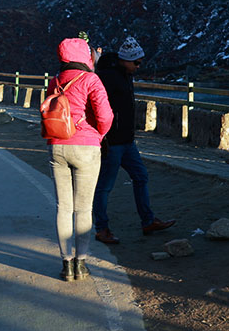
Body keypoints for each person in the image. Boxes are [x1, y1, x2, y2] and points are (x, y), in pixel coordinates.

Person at [93, 36, 175, 244]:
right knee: (105, 186)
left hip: (127, 141)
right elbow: (97, 107)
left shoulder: (125, 74)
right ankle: (102, 228)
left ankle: (148, 220)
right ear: (125, 60)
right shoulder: (108, 77)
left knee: (141, 176)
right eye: (136, 62)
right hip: (112, 142)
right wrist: (103, 138)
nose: (138, 66)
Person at [46, 37, 113, 282]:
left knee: (63, 208)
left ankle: (66, 265)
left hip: (57, 146)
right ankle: (81, 264)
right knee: (83, 208)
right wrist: (98, 135)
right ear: (85, 56)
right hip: (86, 147)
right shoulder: (91, 79)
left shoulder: (55, 80)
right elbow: (105, 116)